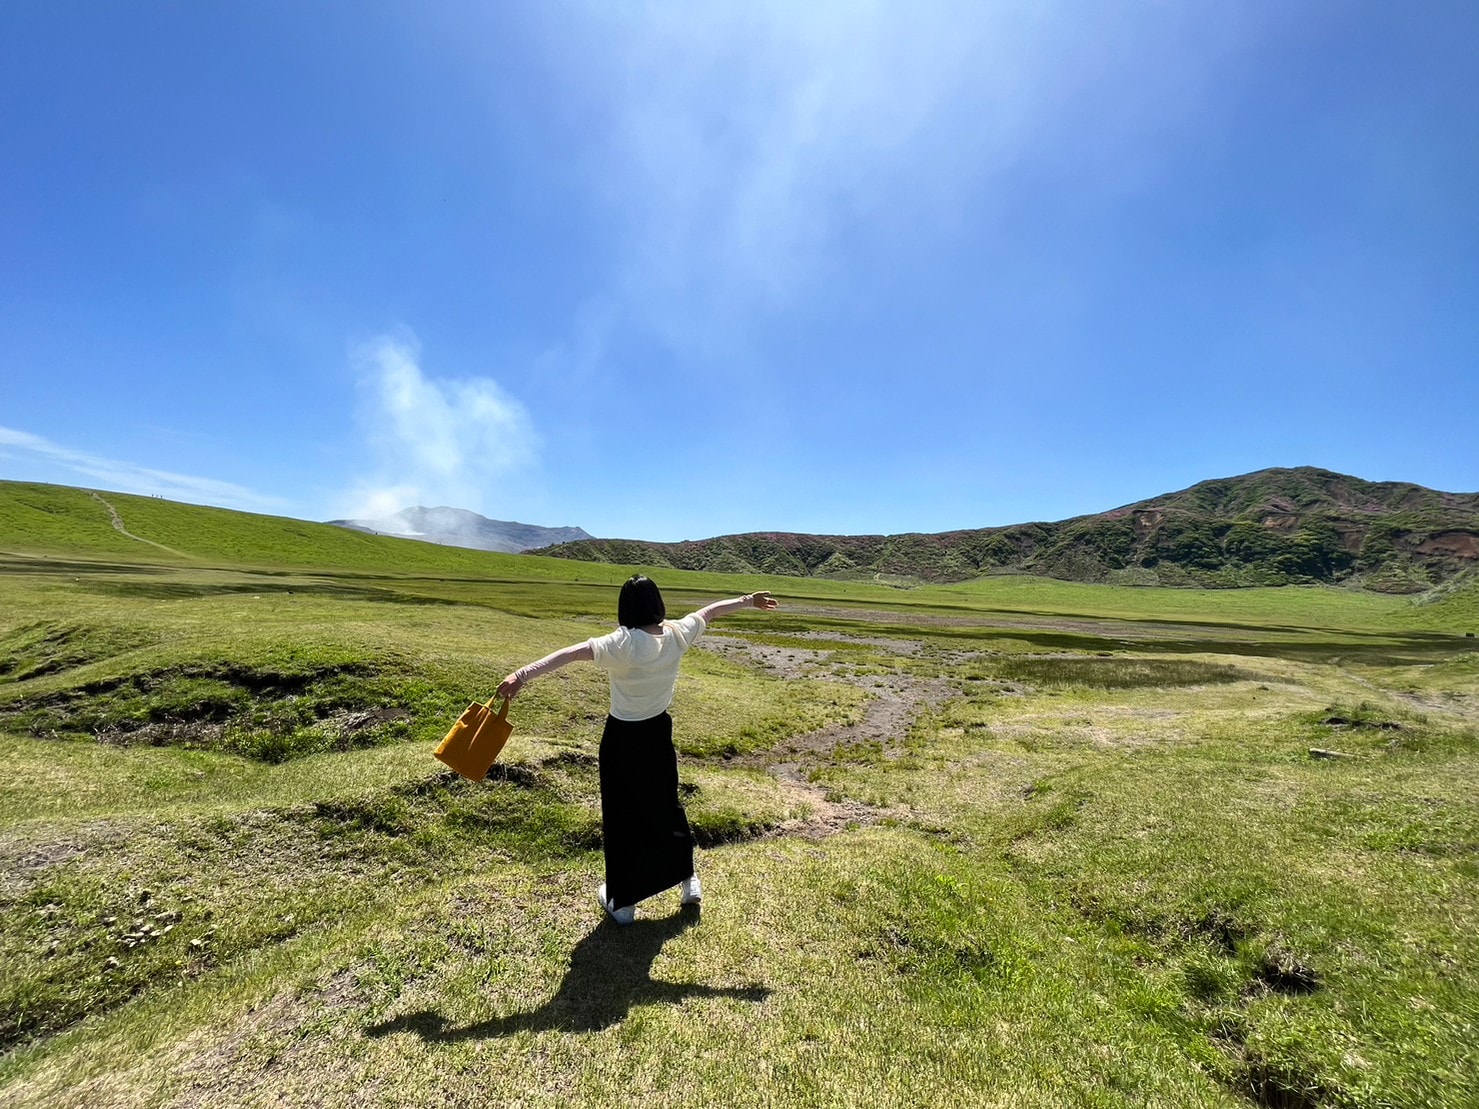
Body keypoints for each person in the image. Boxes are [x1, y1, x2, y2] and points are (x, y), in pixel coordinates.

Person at [497, 575, 778, 925]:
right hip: (659, 732)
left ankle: (624, 902)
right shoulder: (677, 633)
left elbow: (570, 654)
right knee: (667, 804)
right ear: (657, 604)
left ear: (625, 608)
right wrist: (749, 600)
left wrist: (521, 675)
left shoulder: (624, 643)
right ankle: (688, 882)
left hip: (623, 738)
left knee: (623, 814)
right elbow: (710, 612)